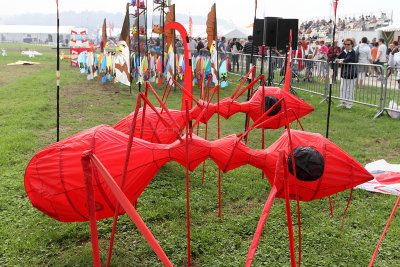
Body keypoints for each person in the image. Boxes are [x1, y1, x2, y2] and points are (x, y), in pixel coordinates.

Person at [336, 38, 358, 109]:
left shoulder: (352, 52)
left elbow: (349, 58)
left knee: (350, 89)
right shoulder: (344, 51)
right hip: (344, 73)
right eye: (345, 44)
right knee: (343, 88)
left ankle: (350, 103)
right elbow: (337, 57)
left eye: (348, 44)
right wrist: (338, 59)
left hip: (351, 74)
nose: (347, 46)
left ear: (352, 45)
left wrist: (342, 60)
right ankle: (343, 102)